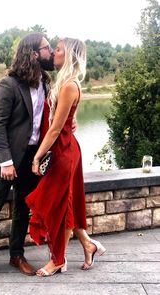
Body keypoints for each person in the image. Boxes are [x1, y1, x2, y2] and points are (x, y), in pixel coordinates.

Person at [0, 32, 54, 283]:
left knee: (22, 209)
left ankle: (16, 255)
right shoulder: (8, 84)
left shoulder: (45, 82)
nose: (50, 52)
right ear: (33, 54)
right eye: (47, 48)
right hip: (5, 158)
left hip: (32, 157)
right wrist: (6, 162)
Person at [25, 37, 106, 277]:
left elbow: (55, 129)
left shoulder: (70, 85)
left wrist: (36, 158)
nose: (54, 53)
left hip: (63, 152)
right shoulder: (63, 83)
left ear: (68, 55)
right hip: (63, 150)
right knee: (64, 203)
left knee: (56, 206)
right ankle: (86, 245)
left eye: (58, 50)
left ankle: (58, 260)